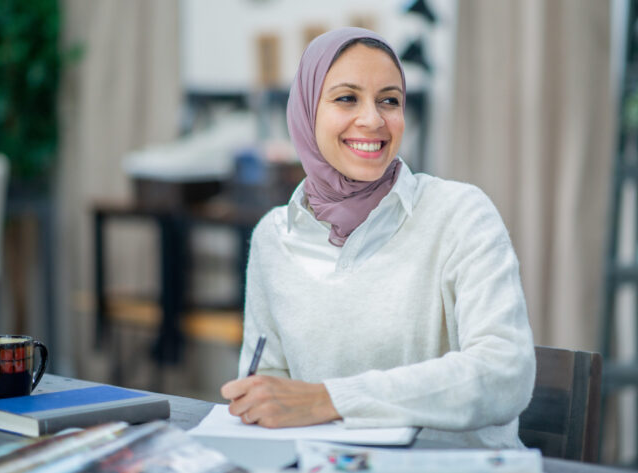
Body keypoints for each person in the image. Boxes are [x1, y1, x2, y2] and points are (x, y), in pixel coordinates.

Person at [220, 27, 535, 449]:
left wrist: (331, 399)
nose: (372, 119)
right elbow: (270, 385)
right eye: (347, 98)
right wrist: (261, 400)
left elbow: (505, 372)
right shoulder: (273, 238)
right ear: (306, 112)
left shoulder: (461, 214)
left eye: (389, 100)